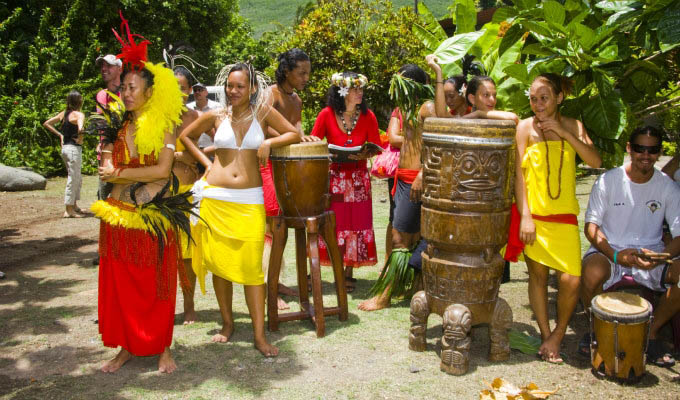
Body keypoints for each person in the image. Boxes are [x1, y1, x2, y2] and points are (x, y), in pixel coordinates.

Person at [180, 62, 301, 357]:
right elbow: (186, 137)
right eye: (229, 87)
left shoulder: (262, 113)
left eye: (239, 86)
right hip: (216, 199)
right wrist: (208, 165)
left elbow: (293, 134)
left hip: (249, 200)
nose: (233, 92)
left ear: (252, 89)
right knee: (220, 266)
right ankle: (227, 324)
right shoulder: (215, 115)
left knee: (251, 269)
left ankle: (259, 337)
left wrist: (270, 142)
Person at [91, 16, 188, 373]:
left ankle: (162, 347)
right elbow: (104, 169)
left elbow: (162, 170)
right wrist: (119, 174)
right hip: (117, 214)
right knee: (121, 286)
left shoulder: (163, 124)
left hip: (152, 218)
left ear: (149, 92)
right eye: (125, 87)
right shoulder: (116, 124)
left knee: (155, 284)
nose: (127, 92)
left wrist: (120, 174)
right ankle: (126, 347)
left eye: (134, 88)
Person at [513, 73, 601, 363]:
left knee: (571, 279)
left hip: (564, 217)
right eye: (533, 98)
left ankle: (559, 334)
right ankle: (544, 333)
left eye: (544, 98)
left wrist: (564, 133)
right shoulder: (524, 128)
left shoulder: (574, 125)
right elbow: (518, 177)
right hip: (534, 217)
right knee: (537, 277)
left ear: (559, 98)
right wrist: (525, 215)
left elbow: (595, 161)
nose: (537, 104)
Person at [580, 125, 680, 367]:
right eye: (639, 149)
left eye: (652, 150)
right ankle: (597, 330)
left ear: (659, 152)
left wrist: (660, 256)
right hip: (611, 251)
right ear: (629, 149)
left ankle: (651, 333)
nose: (645, 155)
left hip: (651, 255)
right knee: (592, 271)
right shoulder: (608, 180)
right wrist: (615, 254)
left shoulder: (667, 186)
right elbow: (591, 227)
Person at [358, 59, 439, 311]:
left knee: (400, 239)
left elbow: (437, 142)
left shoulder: (427, 107)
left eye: (399, 82)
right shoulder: (407, 108)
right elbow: (394, 138)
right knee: (409, 236)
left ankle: (385, 296)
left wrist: (423, 173)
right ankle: (414, 288)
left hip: (416, 177)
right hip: (403, 177)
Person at [311, 71, 381, 292]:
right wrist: (327, 152)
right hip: (335, 178)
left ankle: (349, 273)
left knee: (357, 224)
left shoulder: (368, 116)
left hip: (360, 179)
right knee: (337, 223)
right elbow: (314, 141)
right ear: (342, 91)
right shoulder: (326, 114)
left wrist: (365, 154)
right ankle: (338, 271)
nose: (359, 93)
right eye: (354, 89)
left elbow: (377, 145)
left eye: (361, 89)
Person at [263, 48, 317, 310]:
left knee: (282, 225)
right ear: (287, 71)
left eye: (308, 72)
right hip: (266, 165)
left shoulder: (295, 99)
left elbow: (296, 128)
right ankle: (268, 285)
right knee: (272, 227)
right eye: (302, 73)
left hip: (288, 168)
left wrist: (302, 137)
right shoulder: (269, 94)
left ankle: (276, 280)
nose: (306, 77)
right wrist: (290, 135)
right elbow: (262, 126)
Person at [172, 66, 201, 324]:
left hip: (188, 193)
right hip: (161, 194)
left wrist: (187, 157)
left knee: (188, 256)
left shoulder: (194, 117)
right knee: (163, 254)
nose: (176, 92)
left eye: (182, 88)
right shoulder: (155, 117)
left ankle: (189, 305)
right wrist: (178, 156)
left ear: (190, 91)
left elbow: (199, 154)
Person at [43, 90, 86, 218]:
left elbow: (47, 123)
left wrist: (60, 135)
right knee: (73, 178)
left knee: (77, 177)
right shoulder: (79, 115)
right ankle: (68, 210)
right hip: (73, 149)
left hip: (66, 149)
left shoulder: (64, 114)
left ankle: (74, 205)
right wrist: (81, 138)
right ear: (79, 101)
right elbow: (81, 128)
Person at [95, 54, 123, 201]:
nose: (104, 69)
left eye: (109, 66)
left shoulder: (128, 93)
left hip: (127, 157)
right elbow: (102, 125)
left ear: (120, 68)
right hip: (106, 155)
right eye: (102, 66)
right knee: (104, 201)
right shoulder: (101, 95)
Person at [187, 82, 221, 149]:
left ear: (206, 92)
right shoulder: (188, 108)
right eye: (195, 90)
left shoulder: (217, 107)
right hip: (194, 149)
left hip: (211, 148)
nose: (197, 92)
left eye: (200, 90)